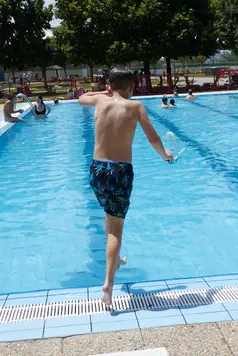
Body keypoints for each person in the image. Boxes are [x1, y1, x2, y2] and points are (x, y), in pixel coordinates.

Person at [78, 67, 173, 306]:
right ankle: (108, 284)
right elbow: (153, 138)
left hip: (97, 170)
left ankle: (116, 259)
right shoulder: (136, 107)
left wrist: (105, 91)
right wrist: (165, 155)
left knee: (109, 217)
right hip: (120, 172)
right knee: (115, 230)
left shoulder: (101, 99)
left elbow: (81, 98)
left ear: (109, 86)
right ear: (132, 87)